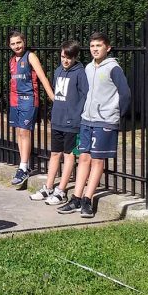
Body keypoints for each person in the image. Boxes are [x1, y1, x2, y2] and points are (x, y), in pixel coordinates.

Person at [57, 33, 131, 218]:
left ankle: (87, 200)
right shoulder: (89, 68)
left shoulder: (114, 68)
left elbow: (125, 94)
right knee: (83, 158)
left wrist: (114, 114)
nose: (95, 49)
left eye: (99, 45)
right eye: (92, 46)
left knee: (98, 160)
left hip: (104, 121)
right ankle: (76, 198)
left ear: (108, 48)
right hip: (87, 120)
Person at [30, 40, 88, 206]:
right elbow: (57, 93)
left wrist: (77, 115)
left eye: (69, 58)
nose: (65, 60)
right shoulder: (58, 71)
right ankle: (48, 186)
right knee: (55, 154)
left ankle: (61, 190)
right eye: (63, 56)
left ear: (75, 57)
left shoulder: (80, 73)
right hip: (58, 120)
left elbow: (85, 96)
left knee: (69, 155)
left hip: (72, 122)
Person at [6, 30, 54, 190]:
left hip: (28, 99)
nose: (16, 46)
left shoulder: (30, 56)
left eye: (18, 42)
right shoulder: (12, 60)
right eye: (13, 43)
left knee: (25, 132)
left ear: (24, 42)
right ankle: (23, 164)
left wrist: (51, 95)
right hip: (15, 100)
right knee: (19, 133)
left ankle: (23, 167)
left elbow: (41, 77)